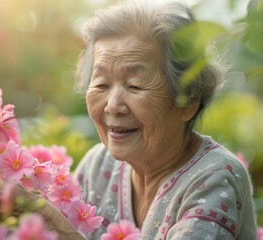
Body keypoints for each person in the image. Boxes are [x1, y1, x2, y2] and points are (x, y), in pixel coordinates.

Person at [72, 0, 258, 239]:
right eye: (101, 84)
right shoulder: (97, 166)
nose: (112, 106)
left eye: (135, 85)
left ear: (189, 101)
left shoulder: (214, 177)